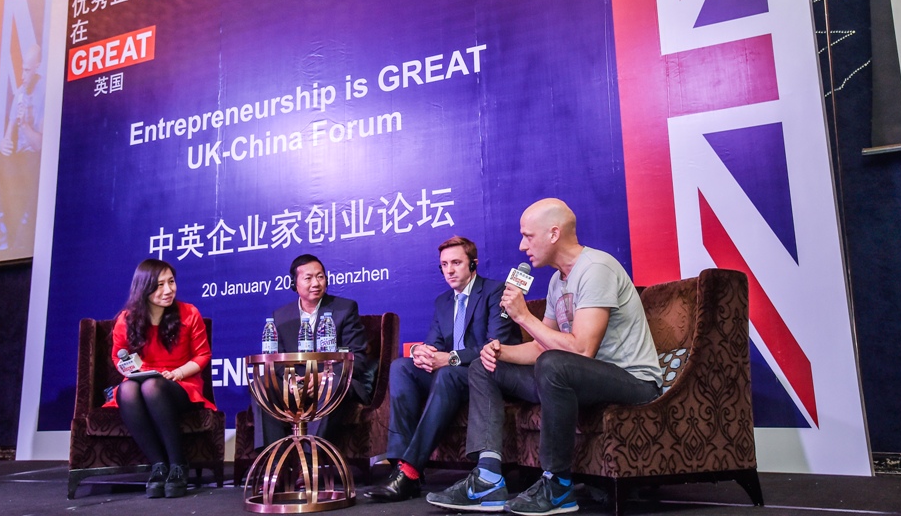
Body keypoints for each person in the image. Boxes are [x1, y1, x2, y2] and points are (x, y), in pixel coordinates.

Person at [426, 199, 662, 515]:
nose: (522, 246)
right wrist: (500, 352)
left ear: (553, 233)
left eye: (528, 236)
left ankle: (558, 484)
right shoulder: (556, 281)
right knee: (484, 366)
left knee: (554, 364)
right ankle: (487, 478)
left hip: (631, 380)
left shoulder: (596, 268)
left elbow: (581, 350)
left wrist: (523, 317)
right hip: (571, 376)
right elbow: (541, 345)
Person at [365, 236, 519, 502]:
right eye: (444, 265)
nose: (449, 270)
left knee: (447, 372)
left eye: (456, 263)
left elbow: (496, 345)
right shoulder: (443, 302)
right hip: (450, 377)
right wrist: (421, 353)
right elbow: (434, 344)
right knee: (401, 367)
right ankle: (400, 465)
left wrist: (451, 359)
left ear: (474, 264)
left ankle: (411, 471)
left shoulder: (495, 292)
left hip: (486, 374)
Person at [107, 258, 215, 499]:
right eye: (159, 285)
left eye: (171, 282)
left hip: (182, 384)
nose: (168, 290)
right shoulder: (126, 319)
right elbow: (118, 357)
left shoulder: (189, 313)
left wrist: (177, 373)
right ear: (143, 288)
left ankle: (178, 464)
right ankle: (158, 466)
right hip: (142, 380)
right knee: (128, 390)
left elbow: (202, 355)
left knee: (152, 387)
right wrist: (133, 371)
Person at [253, 253, 375, 448]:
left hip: (335, 382)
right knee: (263, 382)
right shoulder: (281, 316)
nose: (316, 283)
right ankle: (273, 458)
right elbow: (276, 361)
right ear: (295, 283)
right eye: (308, 278)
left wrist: (322, 378)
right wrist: (292, 381)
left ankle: (309, 460)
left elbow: (357, 358)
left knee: (331, 383)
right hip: (296, 385)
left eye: (320, 276)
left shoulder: (345, 309)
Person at [0, 43, 44, 253]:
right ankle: (0, 225)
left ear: (37, 67)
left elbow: (40, 145)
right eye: (21, 69)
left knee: (34, 162)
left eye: (27, 70)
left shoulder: (44, 93)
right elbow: (7, 137)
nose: (22, 75)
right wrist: (5, 143)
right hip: (17, 158)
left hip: (33, 157)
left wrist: (25, 125)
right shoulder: (19, 92)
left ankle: (25, 230)